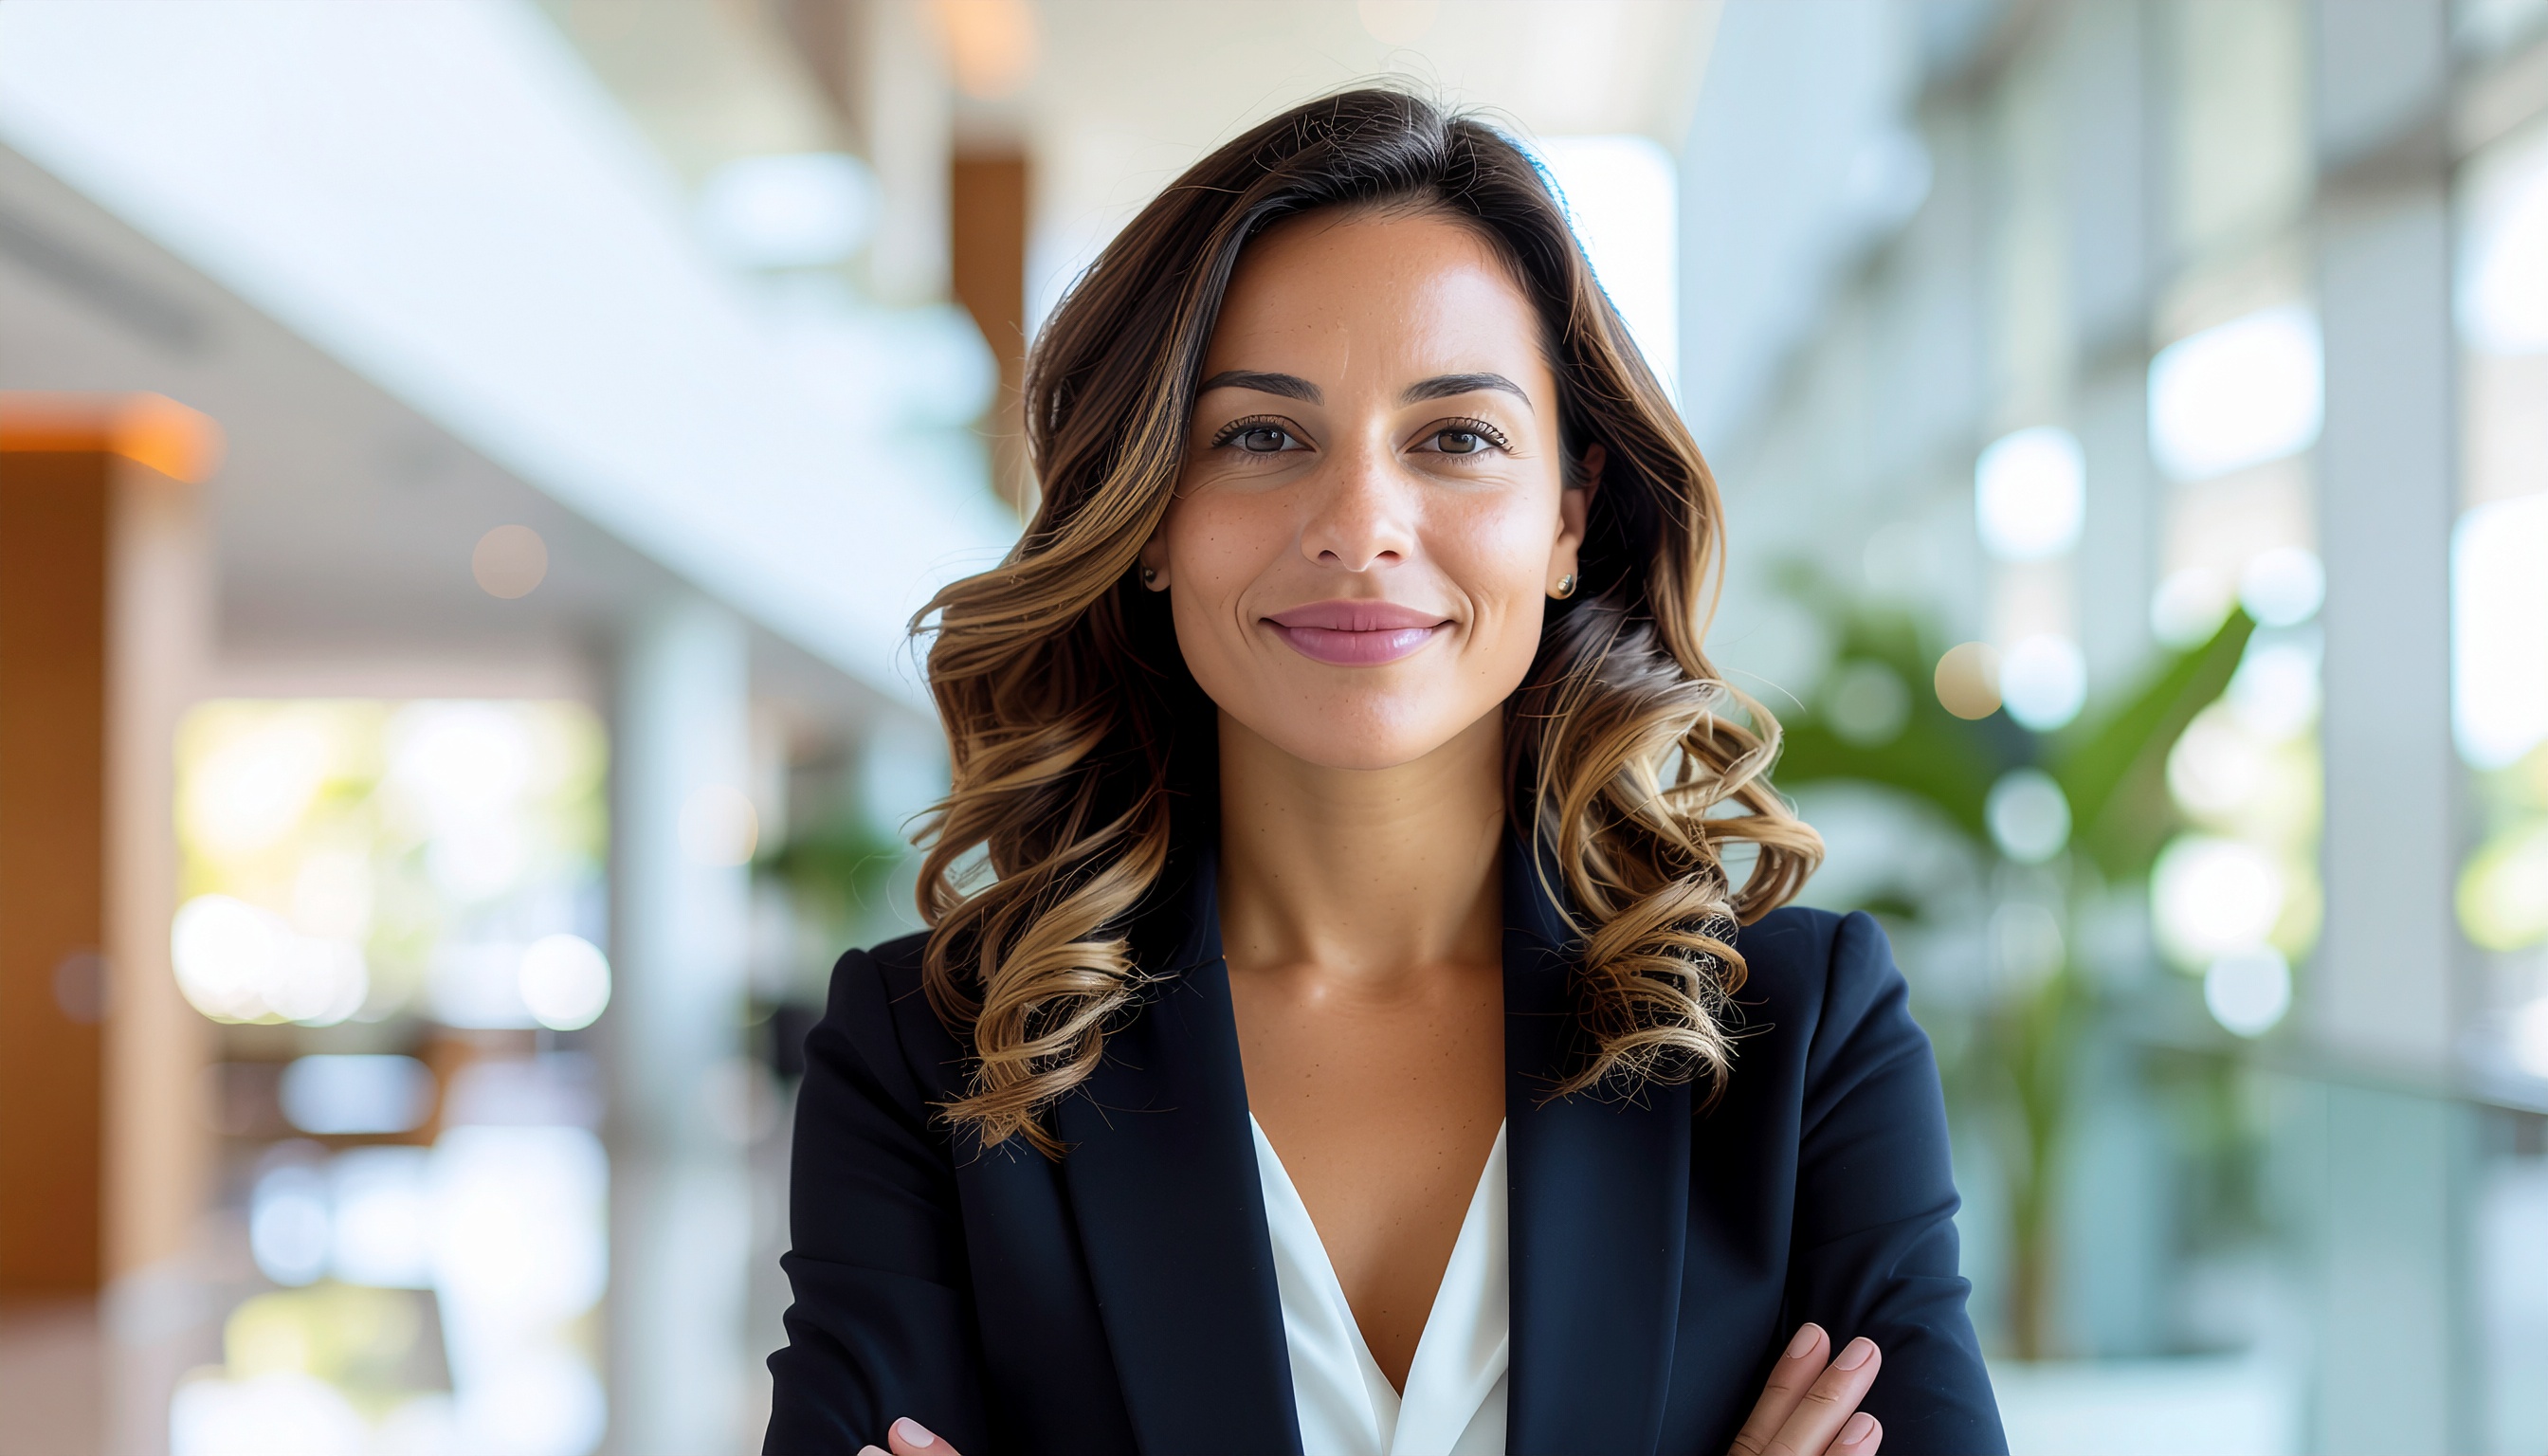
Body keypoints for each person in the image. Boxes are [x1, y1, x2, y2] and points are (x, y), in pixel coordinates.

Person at [764, 90, 2004, 1456]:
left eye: (1456, 439)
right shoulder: (929, 1051)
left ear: (1569, 519)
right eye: (1261, 436)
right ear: (1153, 513)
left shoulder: (1802, 1039)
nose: (1360, 526)